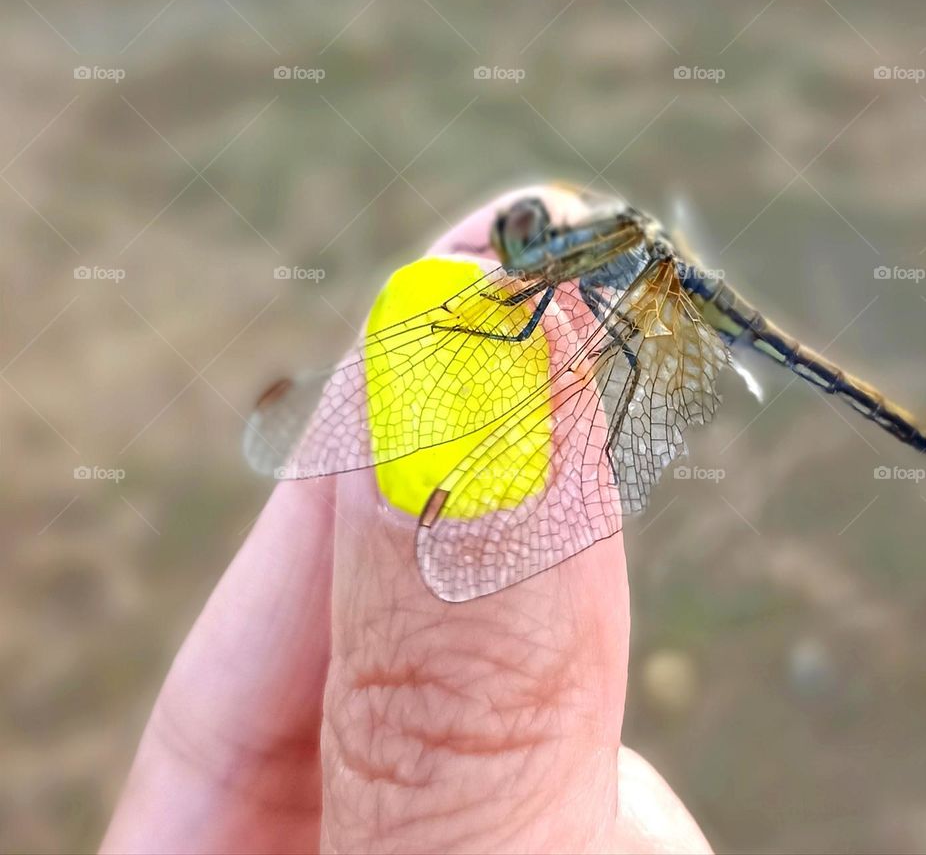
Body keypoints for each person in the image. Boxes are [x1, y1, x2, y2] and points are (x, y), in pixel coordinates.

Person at [102, 188, 711, 855]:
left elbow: (552, 330)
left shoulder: (597, 268)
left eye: (526, 238)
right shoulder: (582, 261)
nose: (515, 245)